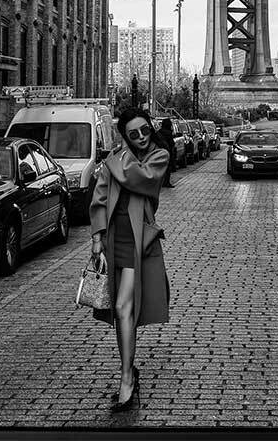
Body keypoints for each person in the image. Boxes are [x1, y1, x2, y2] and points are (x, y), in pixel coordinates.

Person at [89, 107, 170, 412]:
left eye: (145, 130)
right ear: (125, 135)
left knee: (124, 308)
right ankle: (128, 371)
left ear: (151, 128)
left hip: (138, 242)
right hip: (113, 240)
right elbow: (99, 197)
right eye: (133, 134)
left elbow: (140, 178)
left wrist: (115, 158)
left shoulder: (158, 156)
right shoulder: (116, 158)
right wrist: (97, 238)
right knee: (120, 312)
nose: (141, 138)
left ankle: (126, 379)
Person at [158, 118, 177, 188]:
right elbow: (172, 143)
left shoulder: (159, 132)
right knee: (168, 168)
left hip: (160, 152)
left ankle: (161, 182)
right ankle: (166, 182)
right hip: (167, 152)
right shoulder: (168, 133)